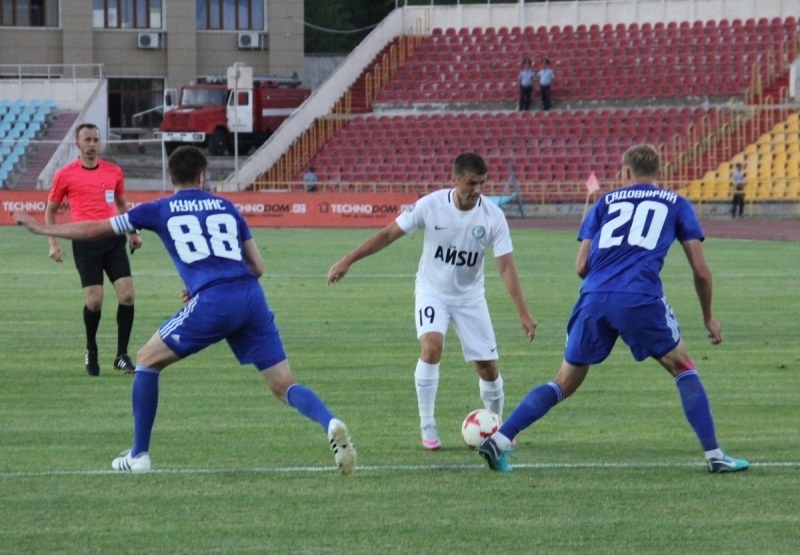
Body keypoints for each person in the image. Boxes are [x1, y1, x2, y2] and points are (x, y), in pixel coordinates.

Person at [14, 146, 356, 475]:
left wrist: (43, 228)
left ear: (171, 176)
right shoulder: (227, 206)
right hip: (251, 298)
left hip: (214, 302)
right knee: (283, 384)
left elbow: (94, 229)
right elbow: (257, 267)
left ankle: (138, 455)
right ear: (202, 175)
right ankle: (330, 422)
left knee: (146, 359)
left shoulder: (158, 209)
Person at [478, 144, 749, 474]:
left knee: (563, 381)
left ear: (626, 172)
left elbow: (580, 266)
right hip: (640, 296)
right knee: (682, 366)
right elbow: (701, 272)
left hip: (593, 296)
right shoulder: (676, 204)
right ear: (657, 172)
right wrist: (708, 316)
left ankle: (500, 439)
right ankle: (715, 456)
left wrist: (605, 281)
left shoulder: (605, 202)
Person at [328, 152, 537, 450]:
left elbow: (505, 266)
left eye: (482, 183)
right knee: (431, 347)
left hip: (470, 298)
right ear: (455, 180)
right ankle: (427, 422)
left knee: (487, 367)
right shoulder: (431, 205)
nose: (477, 190)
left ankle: (497, 426)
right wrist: (348, 260)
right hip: (432, 291)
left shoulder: (493, 216)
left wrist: (523, 312)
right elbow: (388, 234)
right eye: (471, 183)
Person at [46, 122, 141, 376]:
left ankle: (121, 355)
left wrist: (133, 232)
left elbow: (122, 205)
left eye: (95, 140)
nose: (91, 144)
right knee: (95, 301)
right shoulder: (65, 174)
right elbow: (50, 211)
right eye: (86, 140)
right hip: (85, 242)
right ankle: (91, 349)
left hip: (112, 237)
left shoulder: (113, 172)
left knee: (127, 295)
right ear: (77, 143)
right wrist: (53, 243)